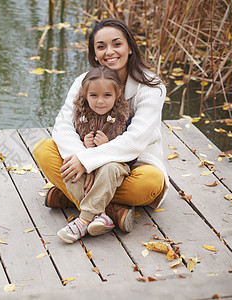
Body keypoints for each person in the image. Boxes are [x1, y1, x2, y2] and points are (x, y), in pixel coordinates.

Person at [33, 18, 169, 243]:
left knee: (151, 183)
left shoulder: (151, 86)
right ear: (94, 54)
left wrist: (88, 161)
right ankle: (110, 211)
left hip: (132, 168)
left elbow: (135, 140)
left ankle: (72, 198)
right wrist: (84, 161)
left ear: (129, 48)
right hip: (86, 158)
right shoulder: (83, 82)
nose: (110, 52)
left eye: (117, 44)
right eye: (101, 46)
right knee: (43, 149)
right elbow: (63, 126)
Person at [56, 65, 135, 243]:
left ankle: (83, 220)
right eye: (93, 95)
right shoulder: (81, 115)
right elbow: (71, 141)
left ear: (118, 94)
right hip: (85, 168)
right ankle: (101, 216)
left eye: (107, 95)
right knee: (69, 170)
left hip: (114, 167)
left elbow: (131, 150)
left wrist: (108, 146)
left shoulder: (124, 118)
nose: (100, 101)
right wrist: (85, 147)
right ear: (85, 95)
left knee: (108, 169)